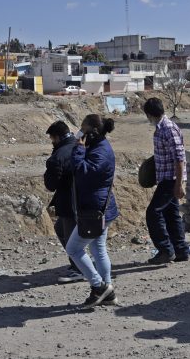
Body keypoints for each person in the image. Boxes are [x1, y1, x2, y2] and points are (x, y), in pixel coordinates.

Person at [66, 114, 119, 307]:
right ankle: (109, 292)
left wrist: (79, 148)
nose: (79, 133)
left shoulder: (101, 152)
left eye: (83, 129)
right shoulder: (99, 146)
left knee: (73, 248)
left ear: (92, 132)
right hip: (100, 208)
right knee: (98, 249)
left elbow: (81, 171)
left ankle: (99, 286)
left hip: (95, 211)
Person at [143, 97, 190, 264]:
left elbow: (180, 158)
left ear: (149, 114)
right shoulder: (160, 128)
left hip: (171, 180)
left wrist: (180, 184)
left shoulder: (168, 129)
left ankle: (165, 250)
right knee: (171, 215)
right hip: (166, 178)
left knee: (153, 213)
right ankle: (181, 250)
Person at [43, 121, 85, 284]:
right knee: (60, 229)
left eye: (52, 139)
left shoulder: (58, 156)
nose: (52, 142)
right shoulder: (78, 145)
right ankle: (79, 265)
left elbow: (50, 185)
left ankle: (78, 269)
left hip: (69, 203)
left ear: (57, 137)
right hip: (82, 198)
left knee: (71, 237)